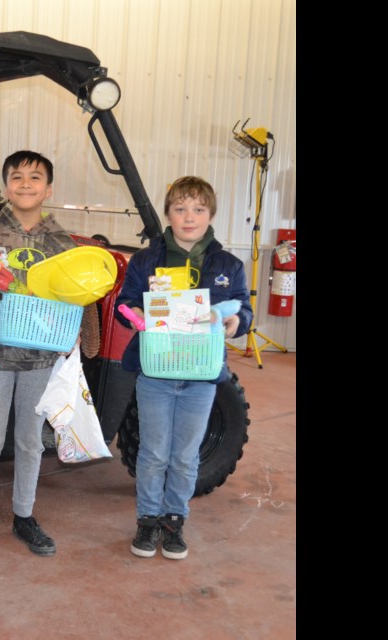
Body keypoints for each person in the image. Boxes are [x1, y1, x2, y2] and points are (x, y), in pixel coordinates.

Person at [0, 150, 98, 562]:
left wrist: (73, 338)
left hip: (40, 356)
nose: (25, 184)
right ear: (6, 187)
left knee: (31, 442)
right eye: (17, 177)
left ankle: (24, 515)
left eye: (35, 178)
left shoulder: (63, 244)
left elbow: (75, 297)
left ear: (48, 189)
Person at [113, 176, 252, 560]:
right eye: (180, 208)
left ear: (210, 214)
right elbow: (124, 304)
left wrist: (235, 322)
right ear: (168, 214)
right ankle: (147, 519)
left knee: (186, 456)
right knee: (154, 452)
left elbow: (243, 308)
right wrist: (137, 314)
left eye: (198, 209)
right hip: (155, 373)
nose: (189, 217)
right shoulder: (146, 260)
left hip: (202, 376)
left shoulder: (228, 265)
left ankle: (175, 521)